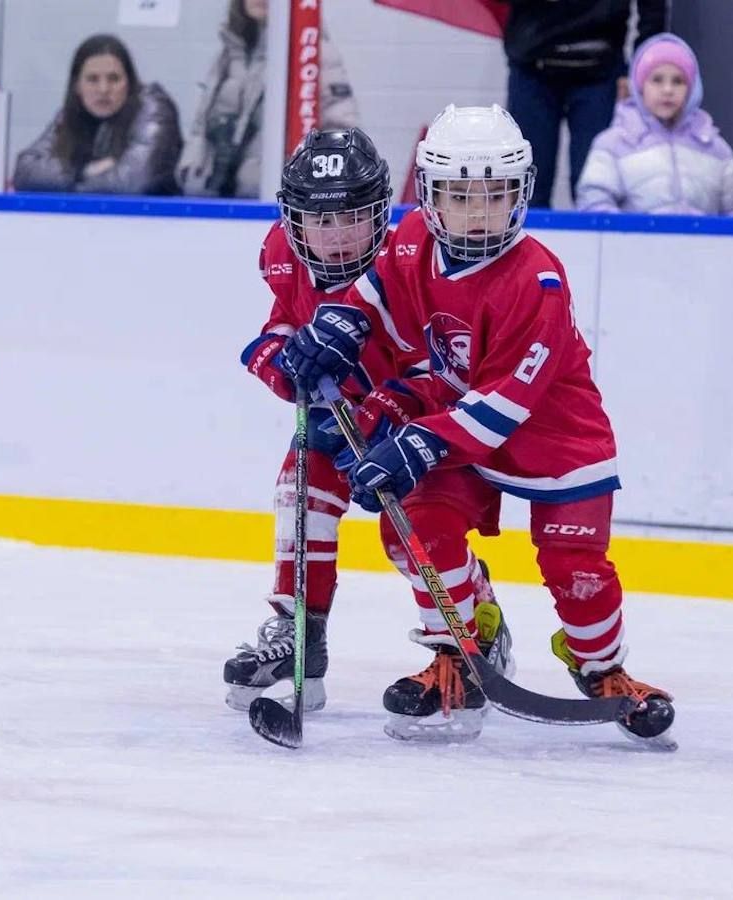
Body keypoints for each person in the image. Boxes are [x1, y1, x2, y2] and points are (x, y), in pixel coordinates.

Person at [281, 104, 676, 746]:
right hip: (461, 431)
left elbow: (506, 402)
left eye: (494, 195)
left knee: (576, 568)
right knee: (413, 526)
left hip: (555, 442)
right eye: (460, 196)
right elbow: (375, 293)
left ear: (520, 193)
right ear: (431, 196)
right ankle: (458, 653)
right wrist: (336, 327)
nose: (477, 211)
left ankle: (602, 668)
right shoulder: (413, 242)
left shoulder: (538, 280)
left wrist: (418, 441)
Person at [222, 127, 403, 713]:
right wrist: (278, 361)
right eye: (319, 221)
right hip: (333, 417)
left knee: (412, 538)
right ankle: (300, 638)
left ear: (378, 211)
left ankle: (471, 633)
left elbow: (439, 361)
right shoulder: (281, 254)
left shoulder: (408, 267)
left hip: (410, 424)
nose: (336, 236)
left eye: (351, 216)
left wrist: (387, 413)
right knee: (299, 494)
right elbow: (283, 322)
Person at [178, 0, 359, 198]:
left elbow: (340, 133)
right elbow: (201, 125)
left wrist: (308, 195)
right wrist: (189, 170)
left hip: (273, 201)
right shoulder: (231, 52)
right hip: (212, 196)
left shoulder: (312, 54)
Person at [503, 0, 668, 209]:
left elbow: (653, 9)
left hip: (600, 69)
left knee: (596, 187)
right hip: (532, 68)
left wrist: (642, 66)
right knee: (527, 187)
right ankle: (525, 242)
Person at [575, 32, 733, 216]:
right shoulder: (612, 145)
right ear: (640, 86)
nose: (667, 90)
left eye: (678, 81)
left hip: (703, 246)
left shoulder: (716, 148)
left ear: (691, 89)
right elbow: (594, 202)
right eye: (657, 80)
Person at [12, 34, 182, 195]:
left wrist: (71, 185)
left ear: (129, 83)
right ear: (77, 86)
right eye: (93, 79)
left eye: (114, 79)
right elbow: (24, 172)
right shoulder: (71, 113)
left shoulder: (154, 108)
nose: (103, 89)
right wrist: (82, 171)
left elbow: (133, 182)